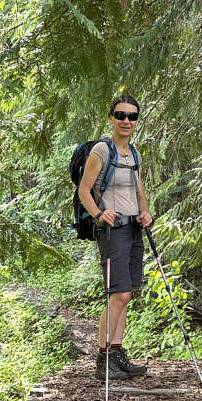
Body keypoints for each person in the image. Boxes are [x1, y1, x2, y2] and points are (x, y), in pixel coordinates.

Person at [77, 94, 153, 380]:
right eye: (121, 115)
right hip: (112, 229)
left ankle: (116, 353)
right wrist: (99, 214)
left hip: (134, 228)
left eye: (132, 116)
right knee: (117, 293)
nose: (126, 121)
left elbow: (139, 193)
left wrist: (145, 214)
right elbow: (84, 191)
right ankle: (103, 359)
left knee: (127, 293)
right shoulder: (101, 151)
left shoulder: (134, 155)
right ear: (111, 117)